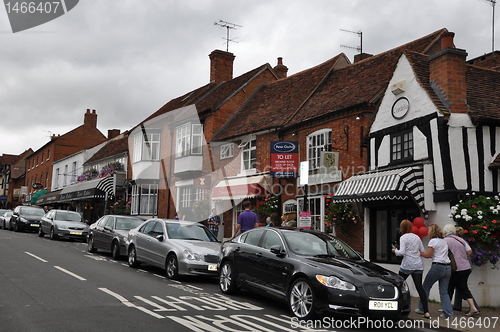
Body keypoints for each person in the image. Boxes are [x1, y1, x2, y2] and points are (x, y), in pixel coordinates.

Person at [392, 219, 430, 318]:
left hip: (407, 265)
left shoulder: (403, 237)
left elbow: (402, 252)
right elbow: (422, 250)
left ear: (402, 228)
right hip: (418, 264)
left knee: (398, 284)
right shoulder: (417, 237)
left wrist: (395, 251)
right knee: (419, 287)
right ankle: (426, 311)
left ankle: (397, 308)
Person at [443, 224, 480, 316]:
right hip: (466, 267)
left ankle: (447, 308)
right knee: (462, 287)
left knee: (450, 288)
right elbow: (469, 251)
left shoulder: (445, 241)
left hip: (455, 268)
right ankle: (473, 307)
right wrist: (462, 256)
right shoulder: (460, 240)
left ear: (445, 232)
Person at [419, 224, 454, 318]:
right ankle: (449, 313)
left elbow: (427, 255)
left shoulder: (433, 241)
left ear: (432, 232)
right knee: (444, 291)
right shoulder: (444, 241)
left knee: (426, 286)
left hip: (437, 266)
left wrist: (420, 253)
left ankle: (422, 308)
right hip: (447, 267)